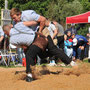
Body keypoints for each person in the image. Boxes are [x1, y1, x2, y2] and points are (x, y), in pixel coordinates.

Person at [3, 22, 77, 82]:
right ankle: (71, 62)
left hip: (39, 39)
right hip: (40, 37)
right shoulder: (19, 28)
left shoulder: (15, 34)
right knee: (44, 54)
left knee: (29, 54)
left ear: (6, 32)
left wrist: (39, 31)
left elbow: (25, 46)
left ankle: (30, 74)